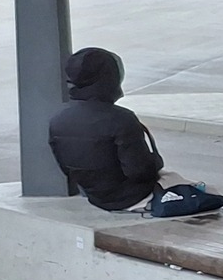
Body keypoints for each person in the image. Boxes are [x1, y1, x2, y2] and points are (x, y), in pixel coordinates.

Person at [47, 48, 166, 211]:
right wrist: (156, 161)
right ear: (110, 79)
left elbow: (67, 170)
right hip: (132, 198)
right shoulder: (122, 119)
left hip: (94, 197)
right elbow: (139, 172)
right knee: (199, 191)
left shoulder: (57, 120)